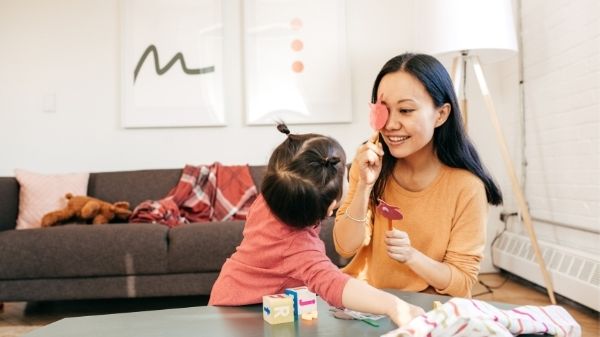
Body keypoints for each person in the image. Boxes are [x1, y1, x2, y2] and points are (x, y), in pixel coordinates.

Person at [209, 123, 424, 326]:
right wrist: (393, 305)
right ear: (330, 208)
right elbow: (334, 285)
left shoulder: (274, 194)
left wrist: (363, 186)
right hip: (243, 313)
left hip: (229, 294)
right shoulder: (298, 248)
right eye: (347, 177)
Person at [334, 53, 503, 298]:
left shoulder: (467, 187)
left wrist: (412, 257)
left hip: (427, 311)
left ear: (441, 114)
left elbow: (462, 282)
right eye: (383, 110)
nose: (390, 124)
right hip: (365, 302)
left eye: (405, 110)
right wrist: (364, 188)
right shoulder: (368, 166)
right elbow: (345, 247)